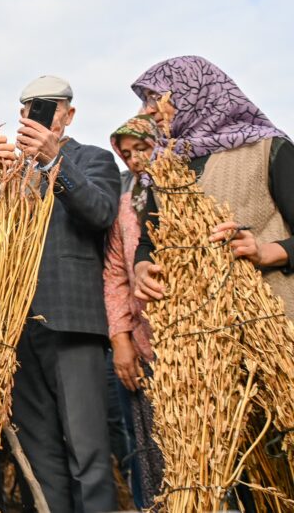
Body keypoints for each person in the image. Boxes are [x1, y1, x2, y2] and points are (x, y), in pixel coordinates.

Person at [0, 75, 120, 512]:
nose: (36, 117)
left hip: (73, 323)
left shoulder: (93, 160)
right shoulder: (11, 171)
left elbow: (100, 214)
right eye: (28, 110)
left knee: (87, 451)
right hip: (18, 328)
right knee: (40, 455)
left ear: (69, 115)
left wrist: (52, 162)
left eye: (48, 109)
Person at [131, 56, 293, 314]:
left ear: (195, 92)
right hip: (194, 330)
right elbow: (149, 241)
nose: (148, 110)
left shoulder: (266, 148)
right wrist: (141, 268)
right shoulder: (163, 166)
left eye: (157, 96)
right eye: (146, 100)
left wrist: (266, 252)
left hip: (273, 317)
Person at [102, 114, 163, 507]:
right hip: (142, 347)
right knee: (148, 451)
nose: (134, 159)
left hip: (191, 344)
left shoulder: (190, 193)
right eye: (126, 153)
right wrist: (121, 338)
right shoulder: (126, 204)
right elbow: (114, 275)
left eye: (142, 148)